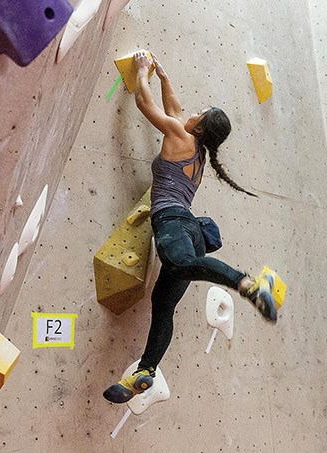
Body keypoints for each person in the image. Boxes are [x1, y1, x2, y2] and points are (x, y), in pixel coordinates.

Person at [103, 51, 279, 404]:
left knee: (179, 263)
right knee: (163, 304)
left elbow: (144, 104)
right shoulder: (194, 147)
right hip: (191, 232)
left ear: (198, 127)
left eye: (199, 112)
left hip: (173, 222)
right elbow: (175, 108)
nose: (192, 111)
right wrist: (165, 77)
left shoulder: (178, 135)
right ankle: (147, 371)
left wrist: (141, 73)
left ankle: (248, 284)